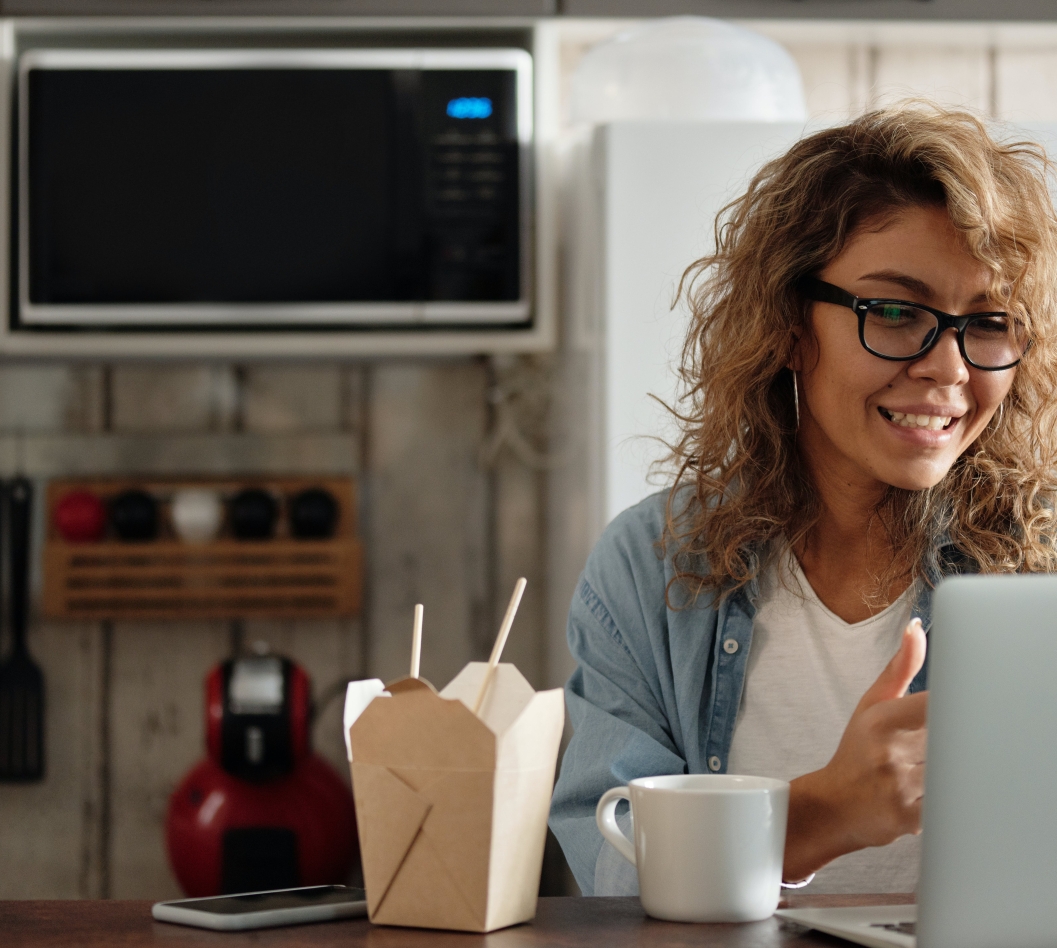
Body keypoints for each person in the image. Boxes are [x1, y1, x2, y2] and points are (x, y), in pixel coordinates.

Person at [548, 105, 1057, 896]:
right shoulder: (650, 567)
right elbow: (614, 878)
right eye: (894, 311)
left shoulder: (1046, 568)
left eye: (988, 322)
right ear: (787, 324)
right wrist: (824, 814)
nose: (949, 368)